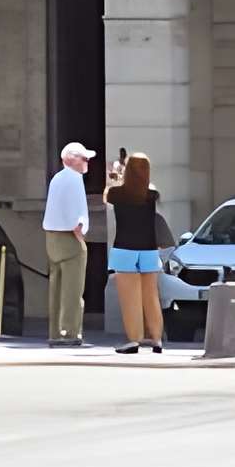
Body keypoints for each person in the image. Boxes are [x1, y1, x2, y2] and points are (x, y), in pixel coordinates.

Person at [104, 150, 166, 355]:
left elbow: (108, 194)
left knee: (130, 297)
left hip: (125, 248)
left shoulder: (118, 194)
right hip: (148, 249)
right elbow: (145, 188)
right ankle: (157, 338)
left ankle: (134, 339)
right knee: (151, 295)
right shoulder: (151, 195)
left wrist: (115, 174)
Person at [42, 139, 93, 347]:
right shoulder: (74, 179)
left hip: (52, 236)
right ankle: (69, 332)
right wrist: (80, 235)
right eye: (84, 158)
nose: (87, 161)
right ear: (72, 160)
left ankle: (56, 331)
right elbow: (76, 215)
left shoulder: (57, 178)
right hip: (68, 237)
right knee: (72, 289)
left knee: (56, 287)